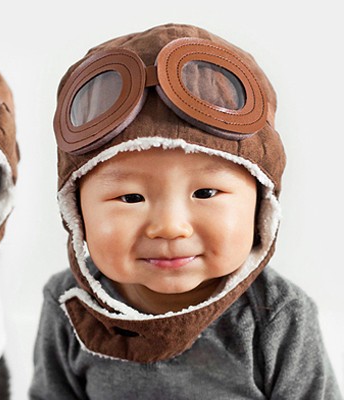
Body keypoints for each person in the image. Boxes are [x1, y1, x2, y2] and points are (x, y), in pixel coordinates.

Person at [30, 23, 342, 399]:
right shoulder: (68, 305)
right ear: (76, 213)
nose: (169, 227)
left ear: (261, 205)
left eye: (206, 192)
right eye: (130, 198)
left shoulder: (279, 318)